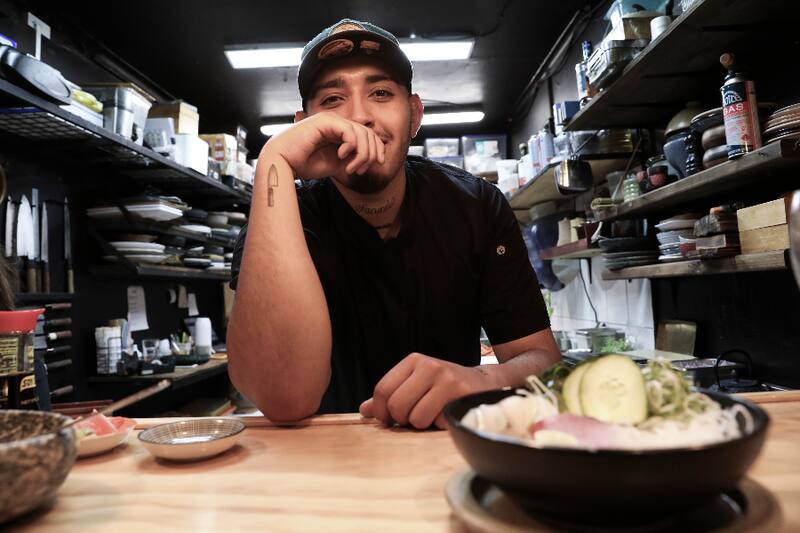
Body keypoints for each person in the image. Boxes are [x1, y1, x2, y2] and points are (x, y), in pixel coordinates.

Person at [227, 19, 560, 428]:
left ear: (414, 115)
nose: (359, 116)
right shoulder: (279, 223)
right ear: (304, 126)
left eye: (381, 93)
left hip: (449, 442)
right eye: (332, 99)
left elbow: (543, 361)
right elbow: (285, 399)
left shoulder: (476, 206)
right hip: (322, 452)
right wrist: (274, 161)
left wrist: (482, 379)